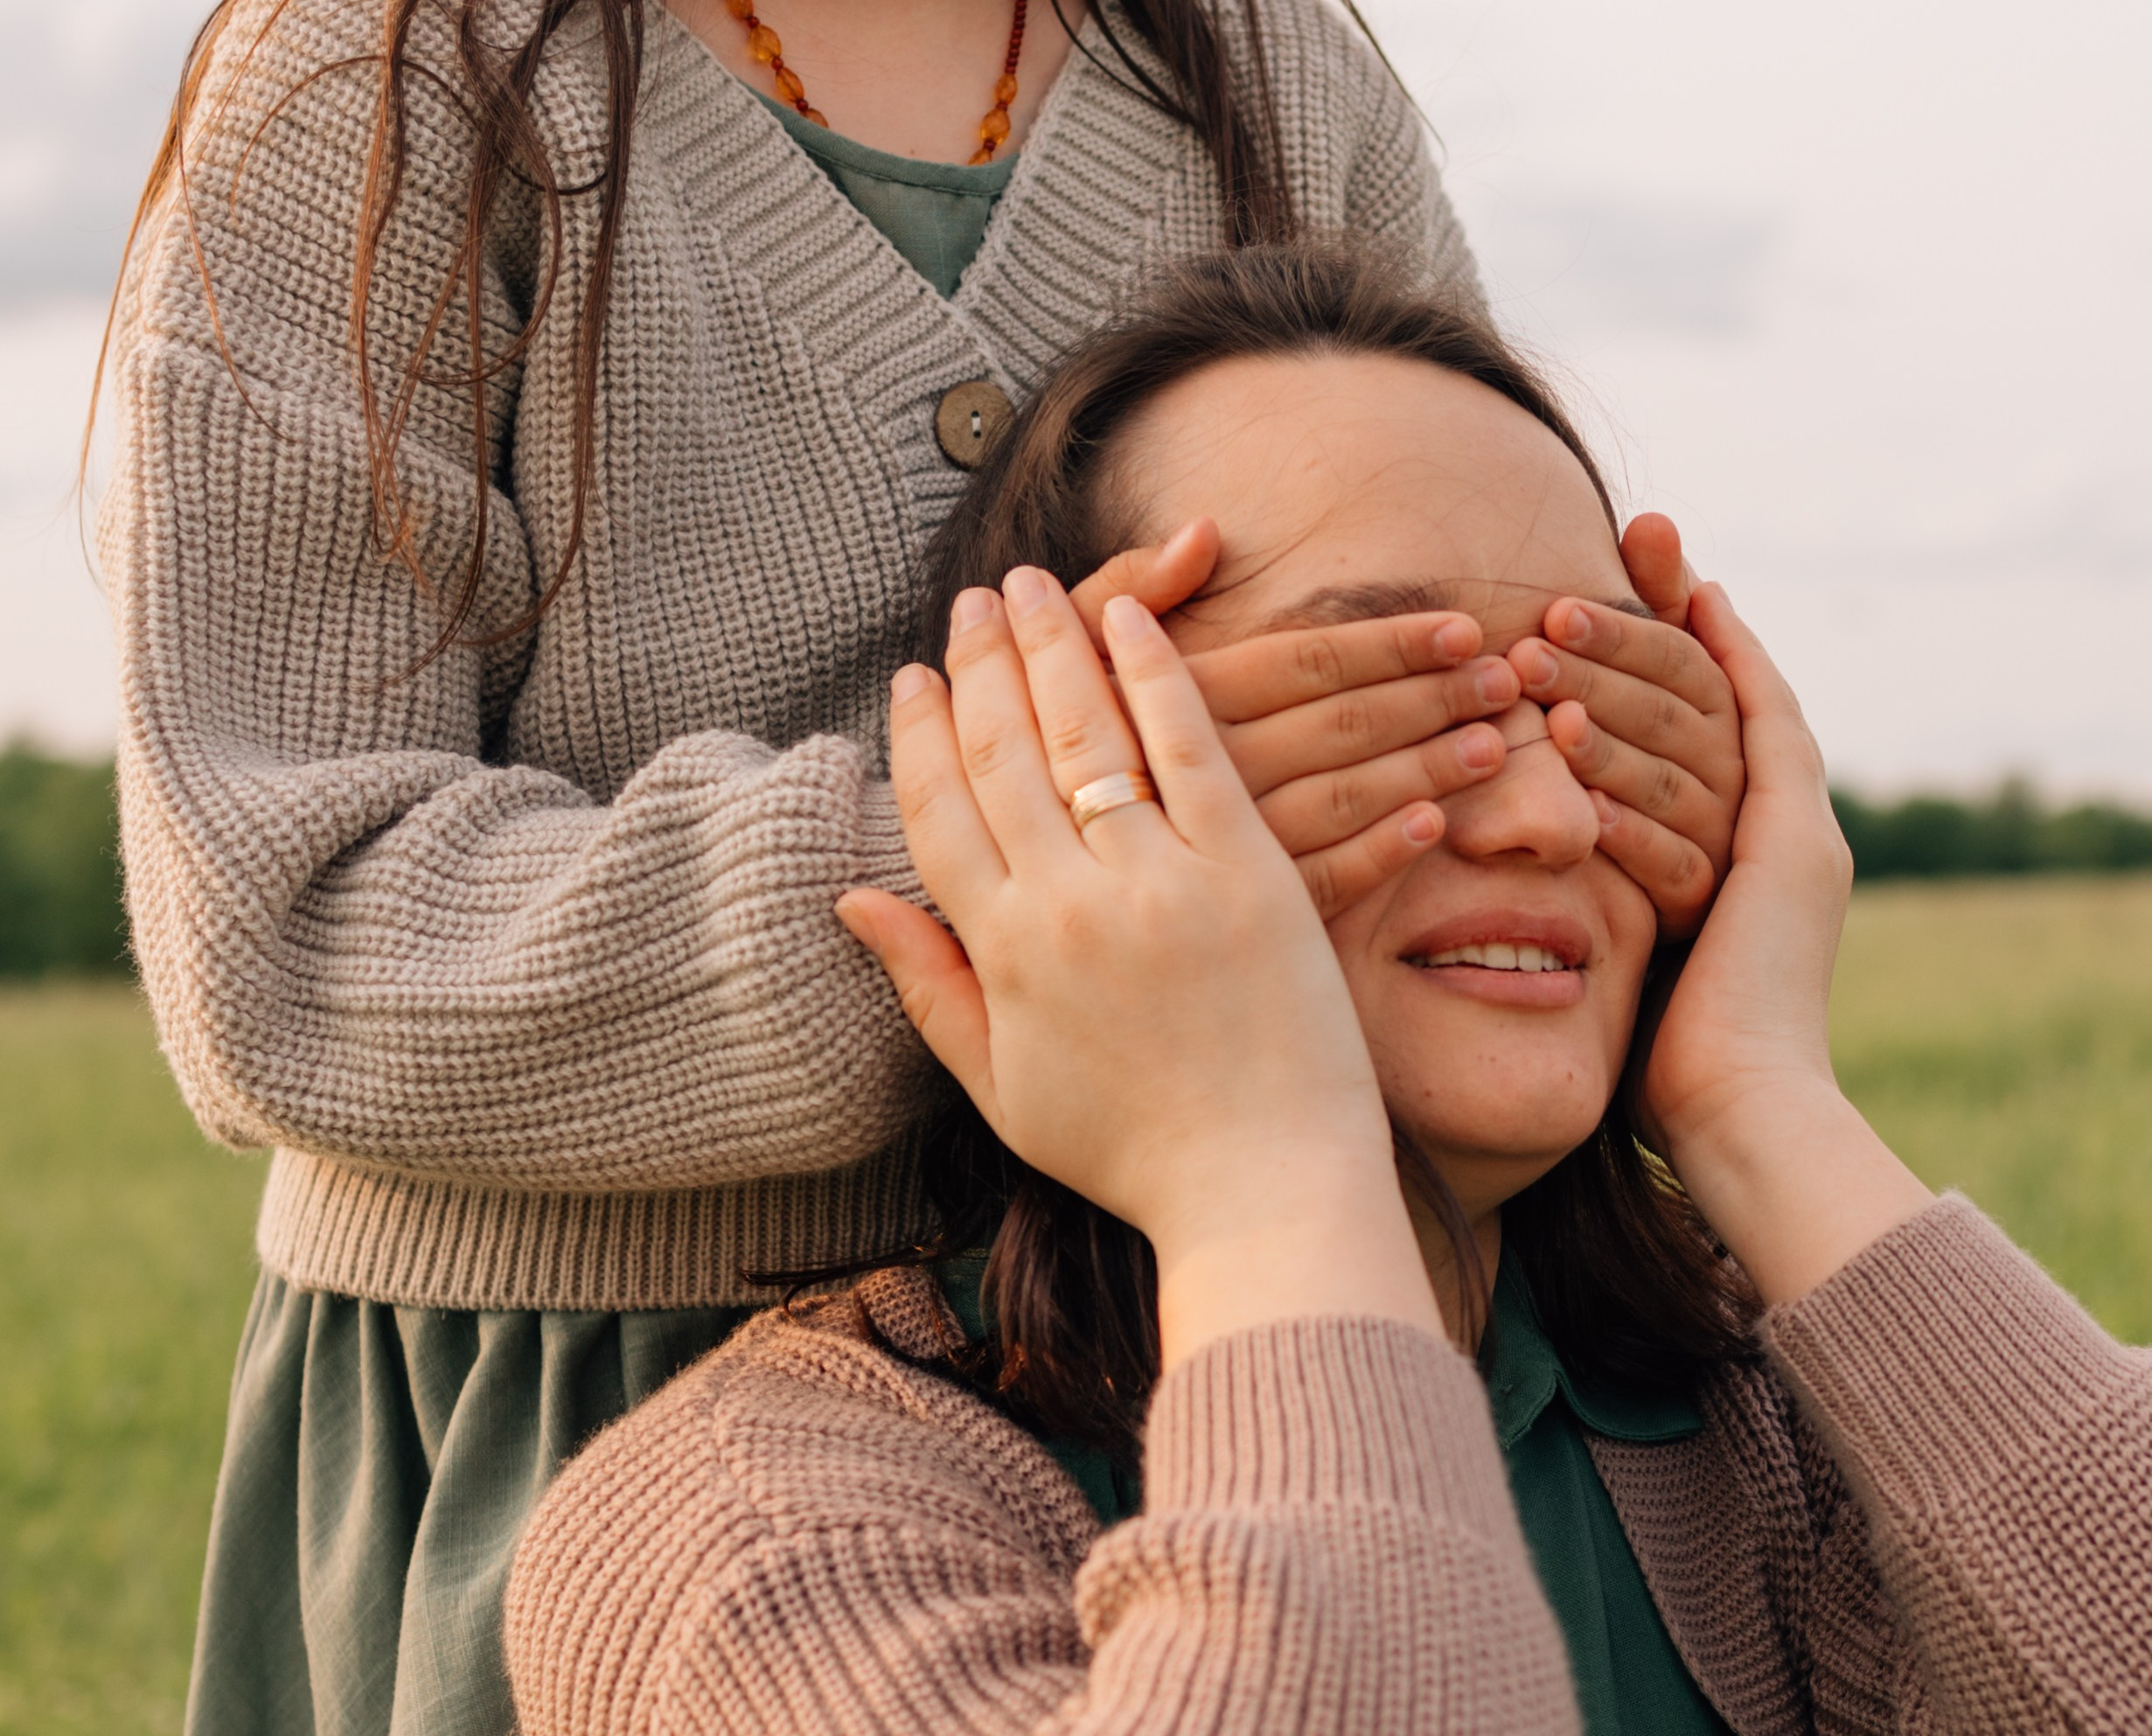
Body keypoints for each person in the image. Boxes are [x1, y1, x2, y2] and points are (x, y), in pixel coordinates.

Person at [99, 0, 1743, 1736]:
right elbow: (285, 942)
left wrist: (1623, 753)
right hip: (571, 1462)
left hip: (1220, 1393)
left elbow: (1483, 673)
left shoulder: (1271, 84)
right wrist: (1025, 860)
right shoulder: (386, 81)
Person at [504, 244, 2152, 1736]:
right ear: (1051, 790)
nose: (1549, 814)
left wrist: (1759, 1099)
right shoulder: (763, 1542)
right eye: (1378, 705)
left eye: (1598, 709)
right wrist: (1262, 1175)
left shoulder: (1766, 1441)